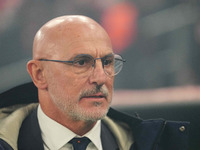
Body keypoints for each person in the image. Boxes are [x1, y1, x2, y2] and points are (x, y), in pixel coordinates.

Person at [0, 15, 189, 150]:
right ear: (39, 74)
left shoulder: (156, 143)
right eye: (81, 62)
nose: (101, 78)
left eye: (107, 62)